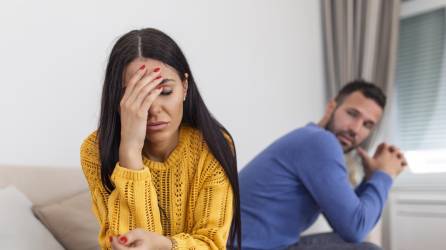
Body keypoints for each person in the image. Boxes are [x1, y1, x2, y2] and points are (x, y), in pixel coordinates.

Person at [80, 28, 241, 250]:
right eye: (138, 95)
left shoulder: (212, 145)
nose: (154, 109)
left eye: (165, 91)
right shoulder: (95, 150)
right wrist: (130, 151)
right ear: (118, 98)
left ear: (184, 87)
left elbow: (211, 243)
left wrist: (166, 245)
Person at [238, 80, 407, 250]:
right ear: (331, 108)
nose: (355, 129)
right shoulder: (320, 142)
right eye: (352, 113)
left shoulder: (310, 140)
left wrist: (371, 179)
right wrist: (385, 174)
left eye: (367, 125)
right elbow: (355, 228)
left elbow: (346, 222)